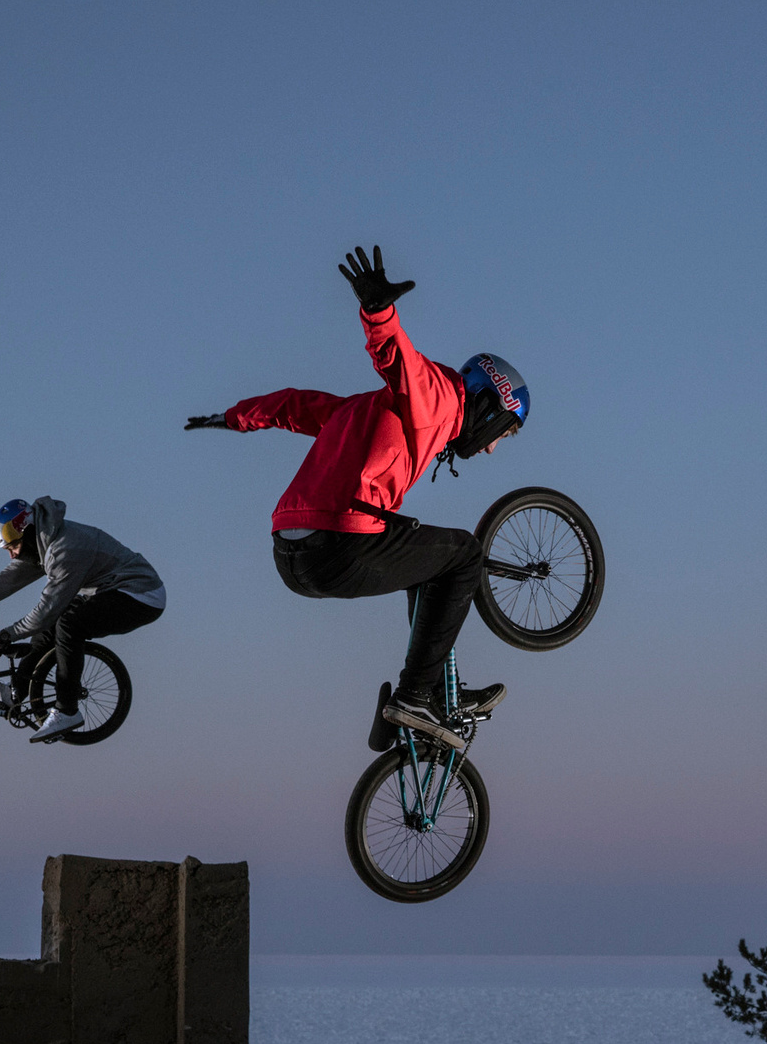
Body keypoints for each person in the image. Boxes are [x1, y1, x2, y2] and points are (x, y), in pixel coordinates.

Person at [186, 245, 527, 749]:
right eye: (504, 433)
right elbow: (397, 358)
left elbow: (293, 405)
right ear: (493, 408)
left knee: (425, 553)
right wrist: (378, 310)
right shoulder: (440, 396)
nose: (493, 448)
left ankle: (431, 694)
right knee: (464, 554)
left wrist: (232, 417)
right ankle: (414, 695)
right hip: (338, 544)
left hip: (290, 554)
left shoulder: (364, 409)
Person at [0, 497, 164, 743]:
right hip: (104, 591)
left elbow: (46, 610)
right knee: (48, 630)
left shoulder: (65, 549)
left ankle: (67, 710)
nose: (12, 555)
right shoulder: (42, 542)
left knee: (69, 624)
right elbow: (7, 581)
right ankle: (16, 692)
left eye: (13, 547)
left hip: (141, 594)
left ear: (27, 531)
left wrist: (6, 635)